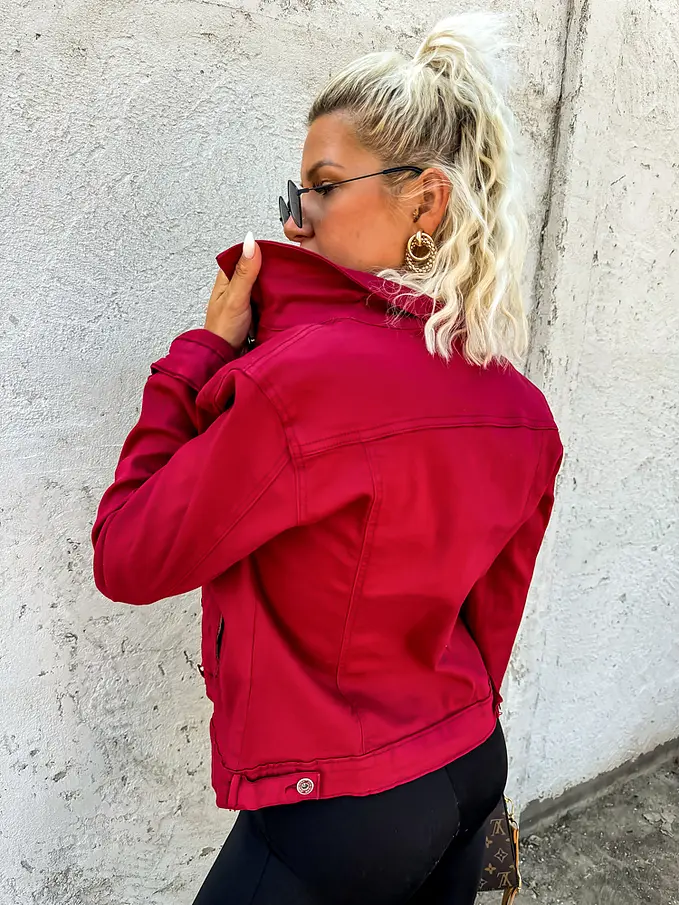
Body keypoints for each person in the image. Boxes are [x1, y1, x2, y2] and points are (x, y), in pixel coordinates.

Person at [91, 12, 563, 905]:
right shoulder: (521, 408)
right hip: (468, 761)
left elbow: (126, 553)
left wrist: (199, 354)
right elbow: (489, 619)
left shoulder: (298, 382)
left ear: (424, 202)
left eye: (322, 186)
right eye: (295, 191)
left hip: (343, 809)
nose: (294, 218)